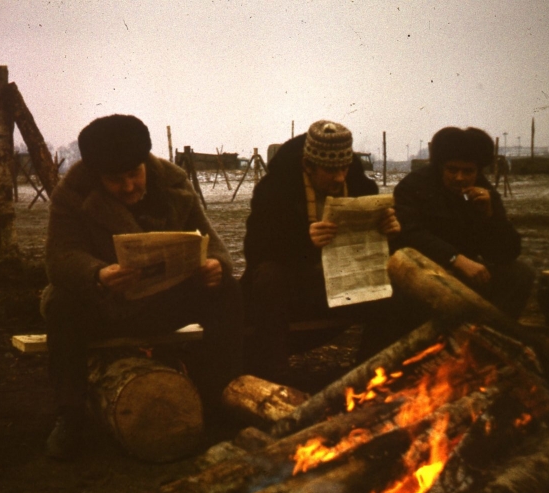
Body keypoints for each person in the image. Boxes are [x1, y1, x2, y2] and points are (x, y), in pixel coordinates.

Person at [41, 114, 242, 460]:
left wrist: (216, 267)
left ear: (146, 162)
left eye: (135, 173)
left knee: (226, 290)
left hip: (166, 302)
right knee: (60, 302)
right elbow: (60, 257)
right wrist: (98, 274)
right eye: (115, 180)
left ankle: (219, 396)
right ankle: (70, 415)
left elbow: (213, 242)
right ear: (96, 175)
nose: (130, 185)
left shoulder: (174, 184)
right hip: (107, 306)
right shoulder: (72, 193)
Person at [242, 120, 402, 379]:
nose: (340, 177)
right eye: (330, 170)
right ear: (308, 165)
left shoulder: (361, 187)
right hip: (295, 291)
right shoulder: (274, 191)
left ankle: (370, 373)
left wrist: (391, 231)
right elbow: (256, 252)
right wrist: (305, 243)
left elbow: (376, 250)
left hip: (346, 285)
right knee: (269, 276)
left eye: (344, 168)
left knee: (395, 283)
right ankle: (275, 374)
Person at [393, 126, 534, 320]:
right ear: (441, 166)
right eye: (452, 169)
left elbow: (507, 253)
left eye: (468, 171)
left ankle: (491, 334)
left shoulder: (484, 192)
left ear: (478, 170)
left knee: (520, 274)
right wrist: (454, 258)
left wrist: (490, 215)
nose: (459, 178)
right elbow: (409, 233)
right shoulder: (414, 186)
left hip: (466, 271)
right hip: (420, 270)